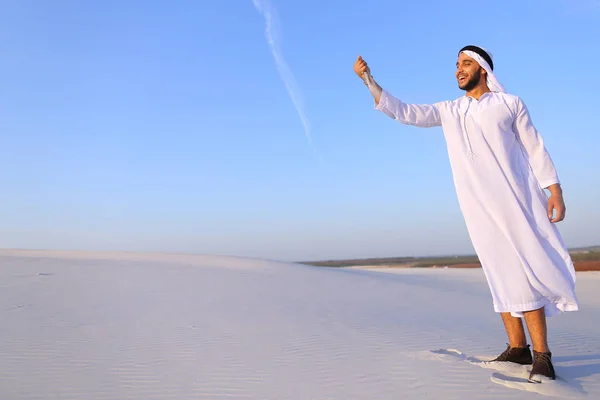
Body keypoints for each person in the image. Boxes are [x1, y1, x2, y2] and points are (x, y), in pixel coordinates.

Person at [354, 45, 579, 383]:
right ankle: (518, 348)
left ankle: (543, 354)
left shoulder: (510, 104)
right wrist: (370, 82)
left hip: (516, 201)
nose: (458, 69)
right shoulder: (450, 110)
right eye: (456, 64)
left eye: (465, 63)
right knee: (498, 270)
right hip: (477, 207)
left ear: (483, 68)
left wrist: (555, 189)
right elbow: (406, 112)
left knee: (524, 269)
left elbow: (535, 147)